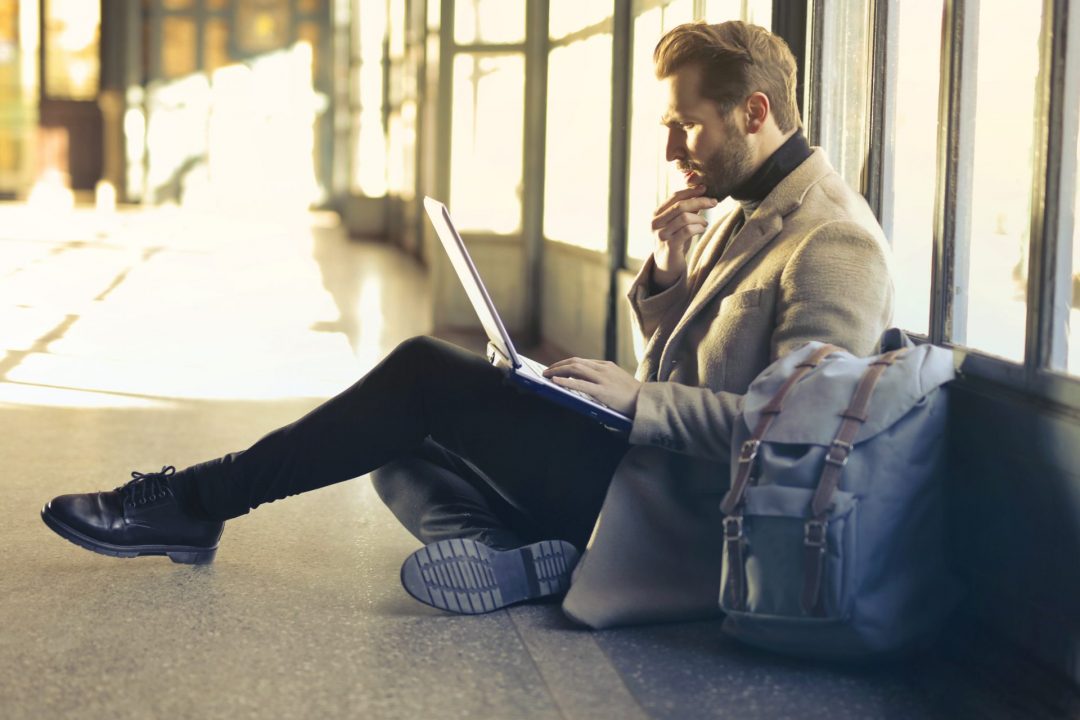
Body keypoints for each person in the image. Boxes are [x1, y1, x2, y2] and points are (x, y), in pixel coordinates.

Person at [40, 21, 892, 624]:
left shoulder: (834, 241)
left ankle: (196, 500)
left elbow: (801, 445)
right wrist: (668, 278)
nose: (674, 150)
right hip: (640, 466)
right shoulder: (747, 206)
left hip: (683, 518)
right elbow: (696, 369)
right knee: (393, 443)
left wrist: (637, 404)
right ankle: (514, 554)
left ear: (754, 112)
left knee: (418, 374)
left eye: (688, 125)